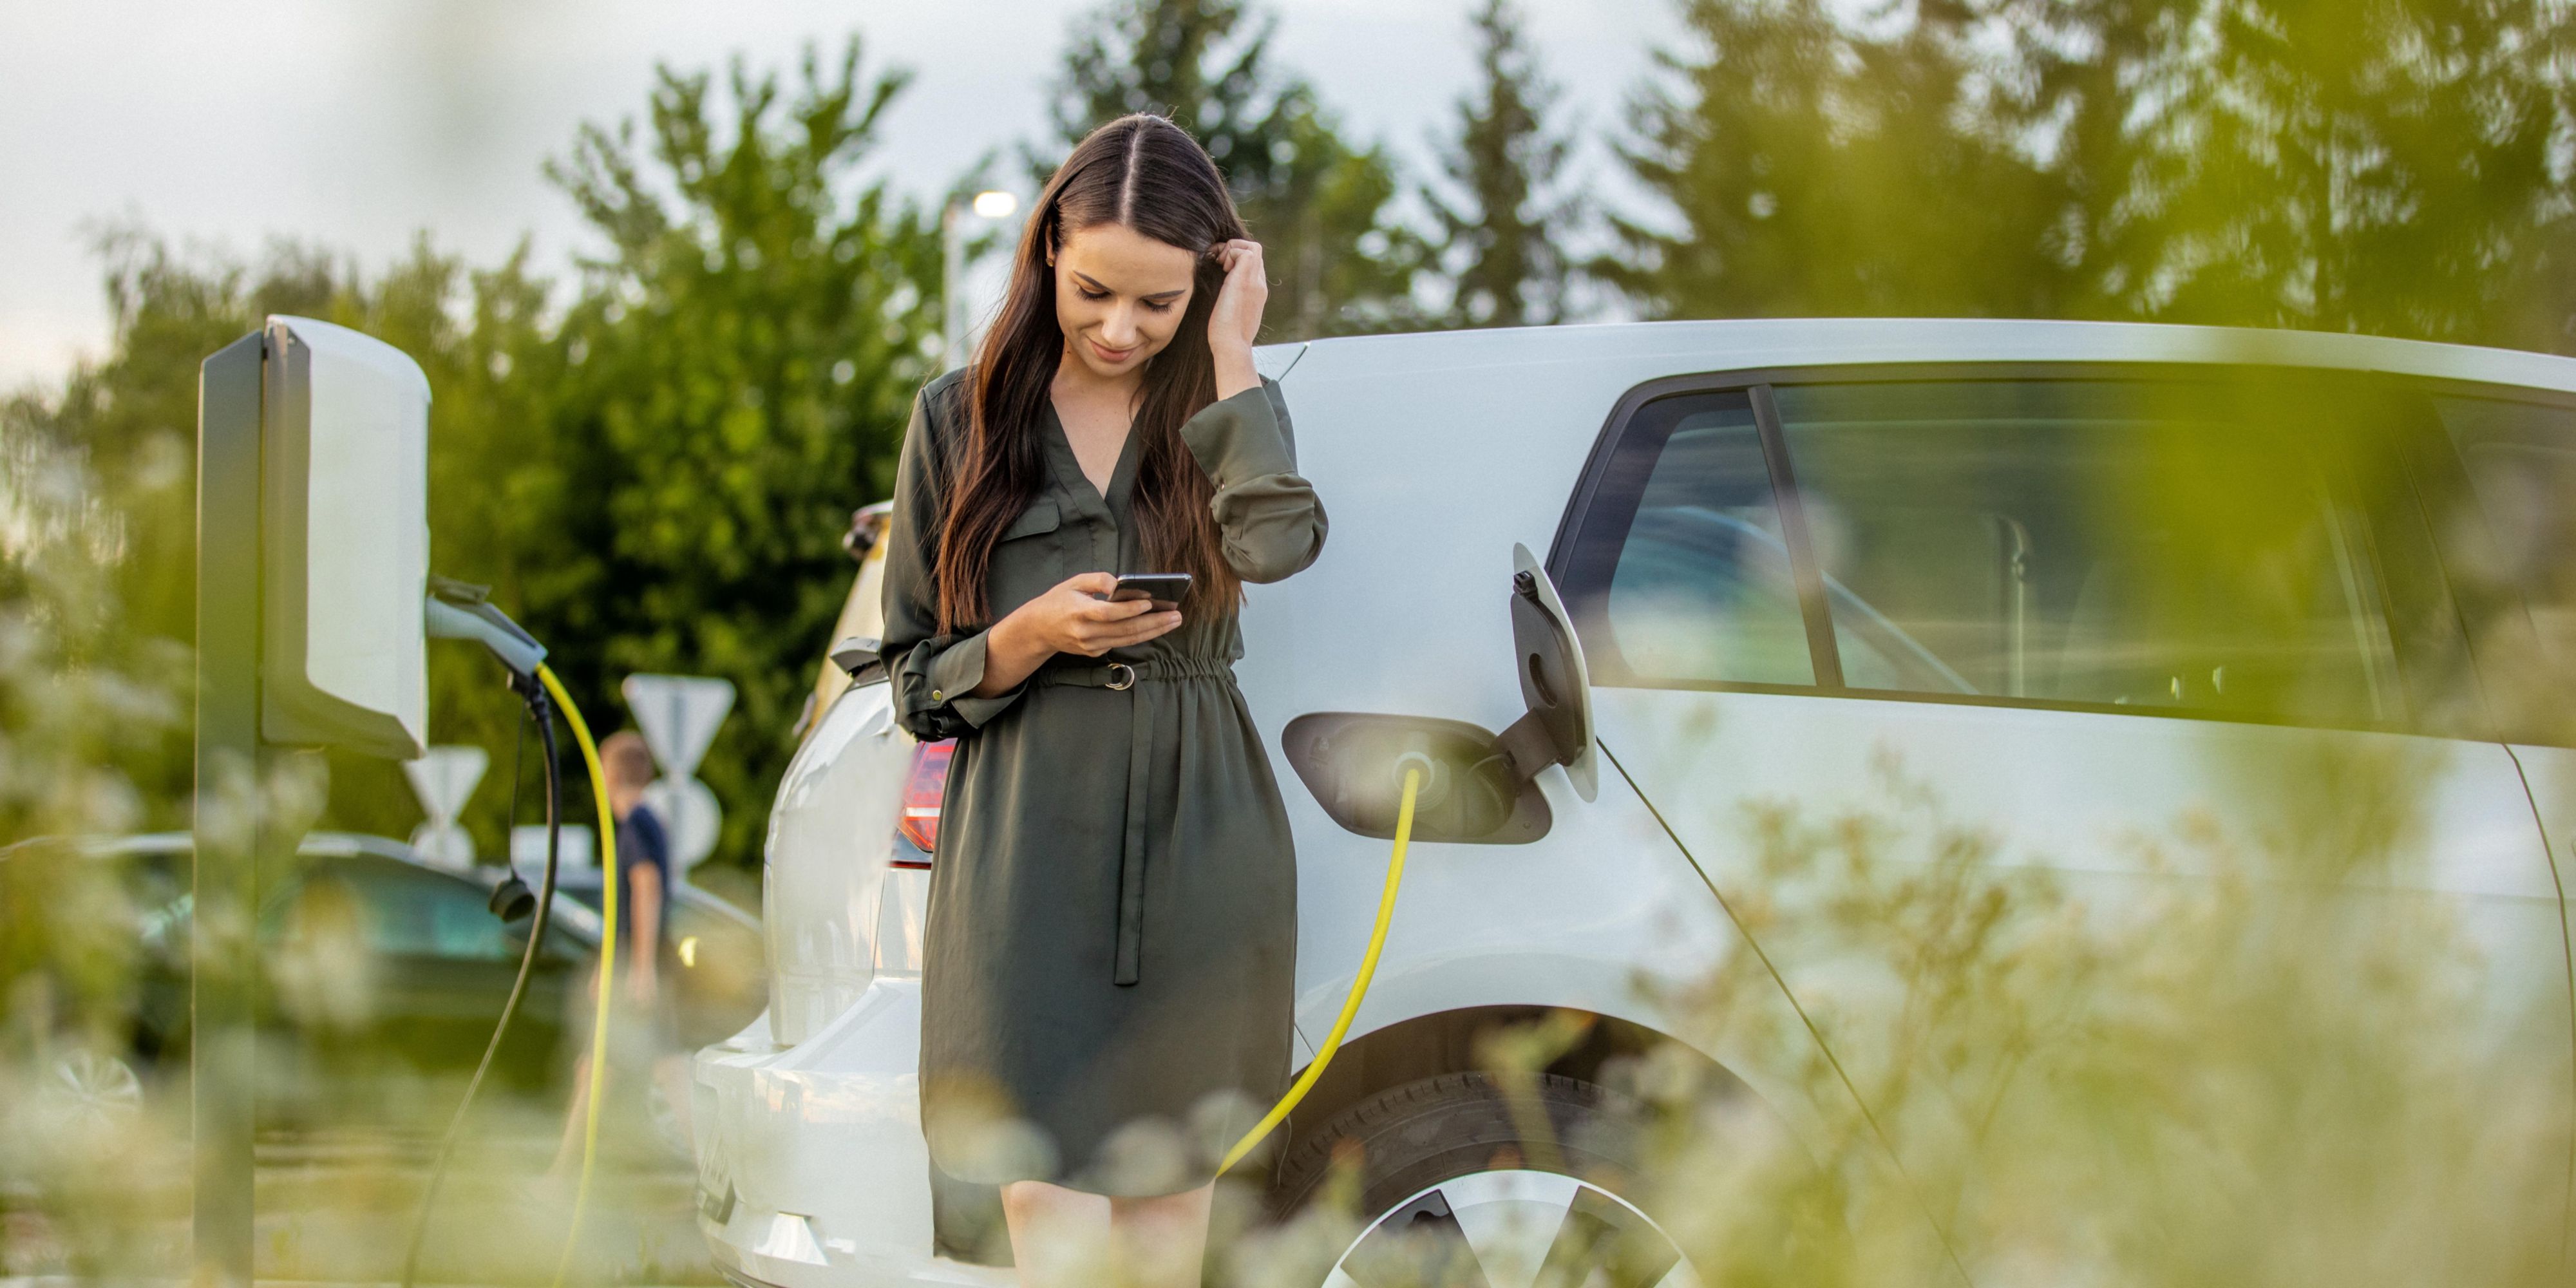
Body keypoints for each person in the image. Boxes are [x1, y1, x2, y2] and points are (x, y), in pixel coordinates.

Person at [877, 113, 1328, 1287]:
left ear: (1207, 287)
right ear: (1043, 260)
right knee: (1049, 1211)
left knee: (1171, 1223)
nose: (1120, 329)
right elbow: (916, 686)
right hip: (1026, 846)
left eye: (1159, 304)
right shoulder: (956, 419)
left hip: (1202, 839)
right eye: (1092, 292)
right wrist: (1026, 636)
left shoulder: (1223, 407)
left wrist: (1234, 352)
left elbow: (1278, 547)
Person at [551, 728, 683, 1171]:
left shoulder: (636, 824)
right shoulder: (649, 822)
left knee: (610, 1068)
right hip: (635, 963)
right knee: (642, 1068)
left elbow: (646, 888)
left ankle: (561, 1177)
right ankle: (712, 1169)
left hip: (638, 967)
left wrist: (639, 969)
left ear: (611, 773)